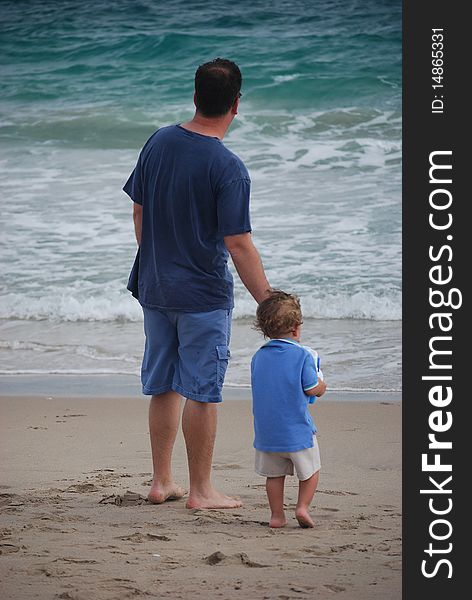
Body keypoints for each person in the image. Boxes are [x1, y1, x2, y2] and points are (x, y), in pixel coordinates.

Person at [123, 58, 271, 510]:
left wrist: (156, 262)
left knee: (164, 384)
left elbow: (139, 210)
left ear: (195, 96)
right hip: (202, 294)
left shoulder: (159, 141)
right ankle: (201, 491)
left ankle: (161, 481)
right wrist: (268, 303)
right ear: (236, 105)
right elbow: (238, 244)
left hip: (155, 285)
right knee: (202, 391)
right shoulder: (227, 167)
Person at [251, 290, 327, 528]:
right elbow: (311, 387)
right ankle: (302, 507)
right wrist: (322, 386)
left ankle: (276, 516)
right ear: (295, 329)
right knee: (311, 470)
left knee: (274, 476)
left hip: (267, 434)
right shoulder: (302, 356)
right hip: (297, 431)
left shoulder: (257, 357)